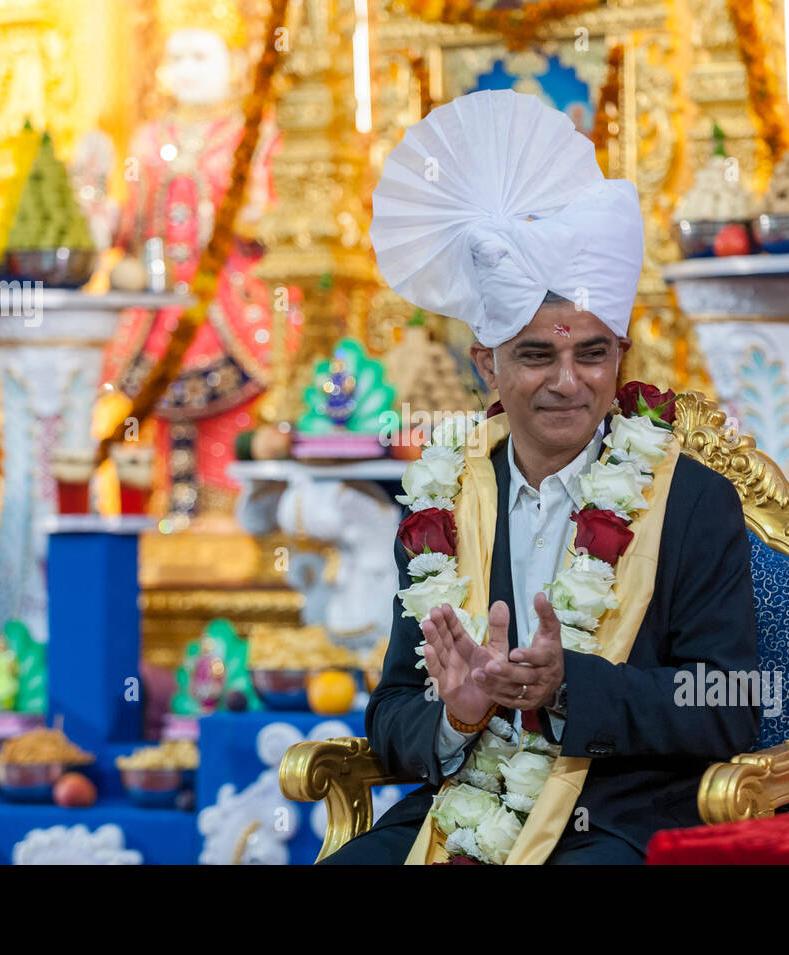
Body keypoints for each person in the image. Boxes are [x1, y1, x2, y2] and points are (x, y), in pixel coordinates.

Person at [321, 90, 759, 865]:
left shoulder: (690, 502)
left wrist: (570, 687)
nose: (570, 381)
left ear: (619, 354)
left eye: (593, 352)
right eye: (536, 355)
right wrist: (454, 718)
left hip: (615, 816)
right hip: (459, 811)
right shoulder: (440, 504)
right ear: (485, 363)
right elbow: (389, 712)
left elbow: (729, 705)